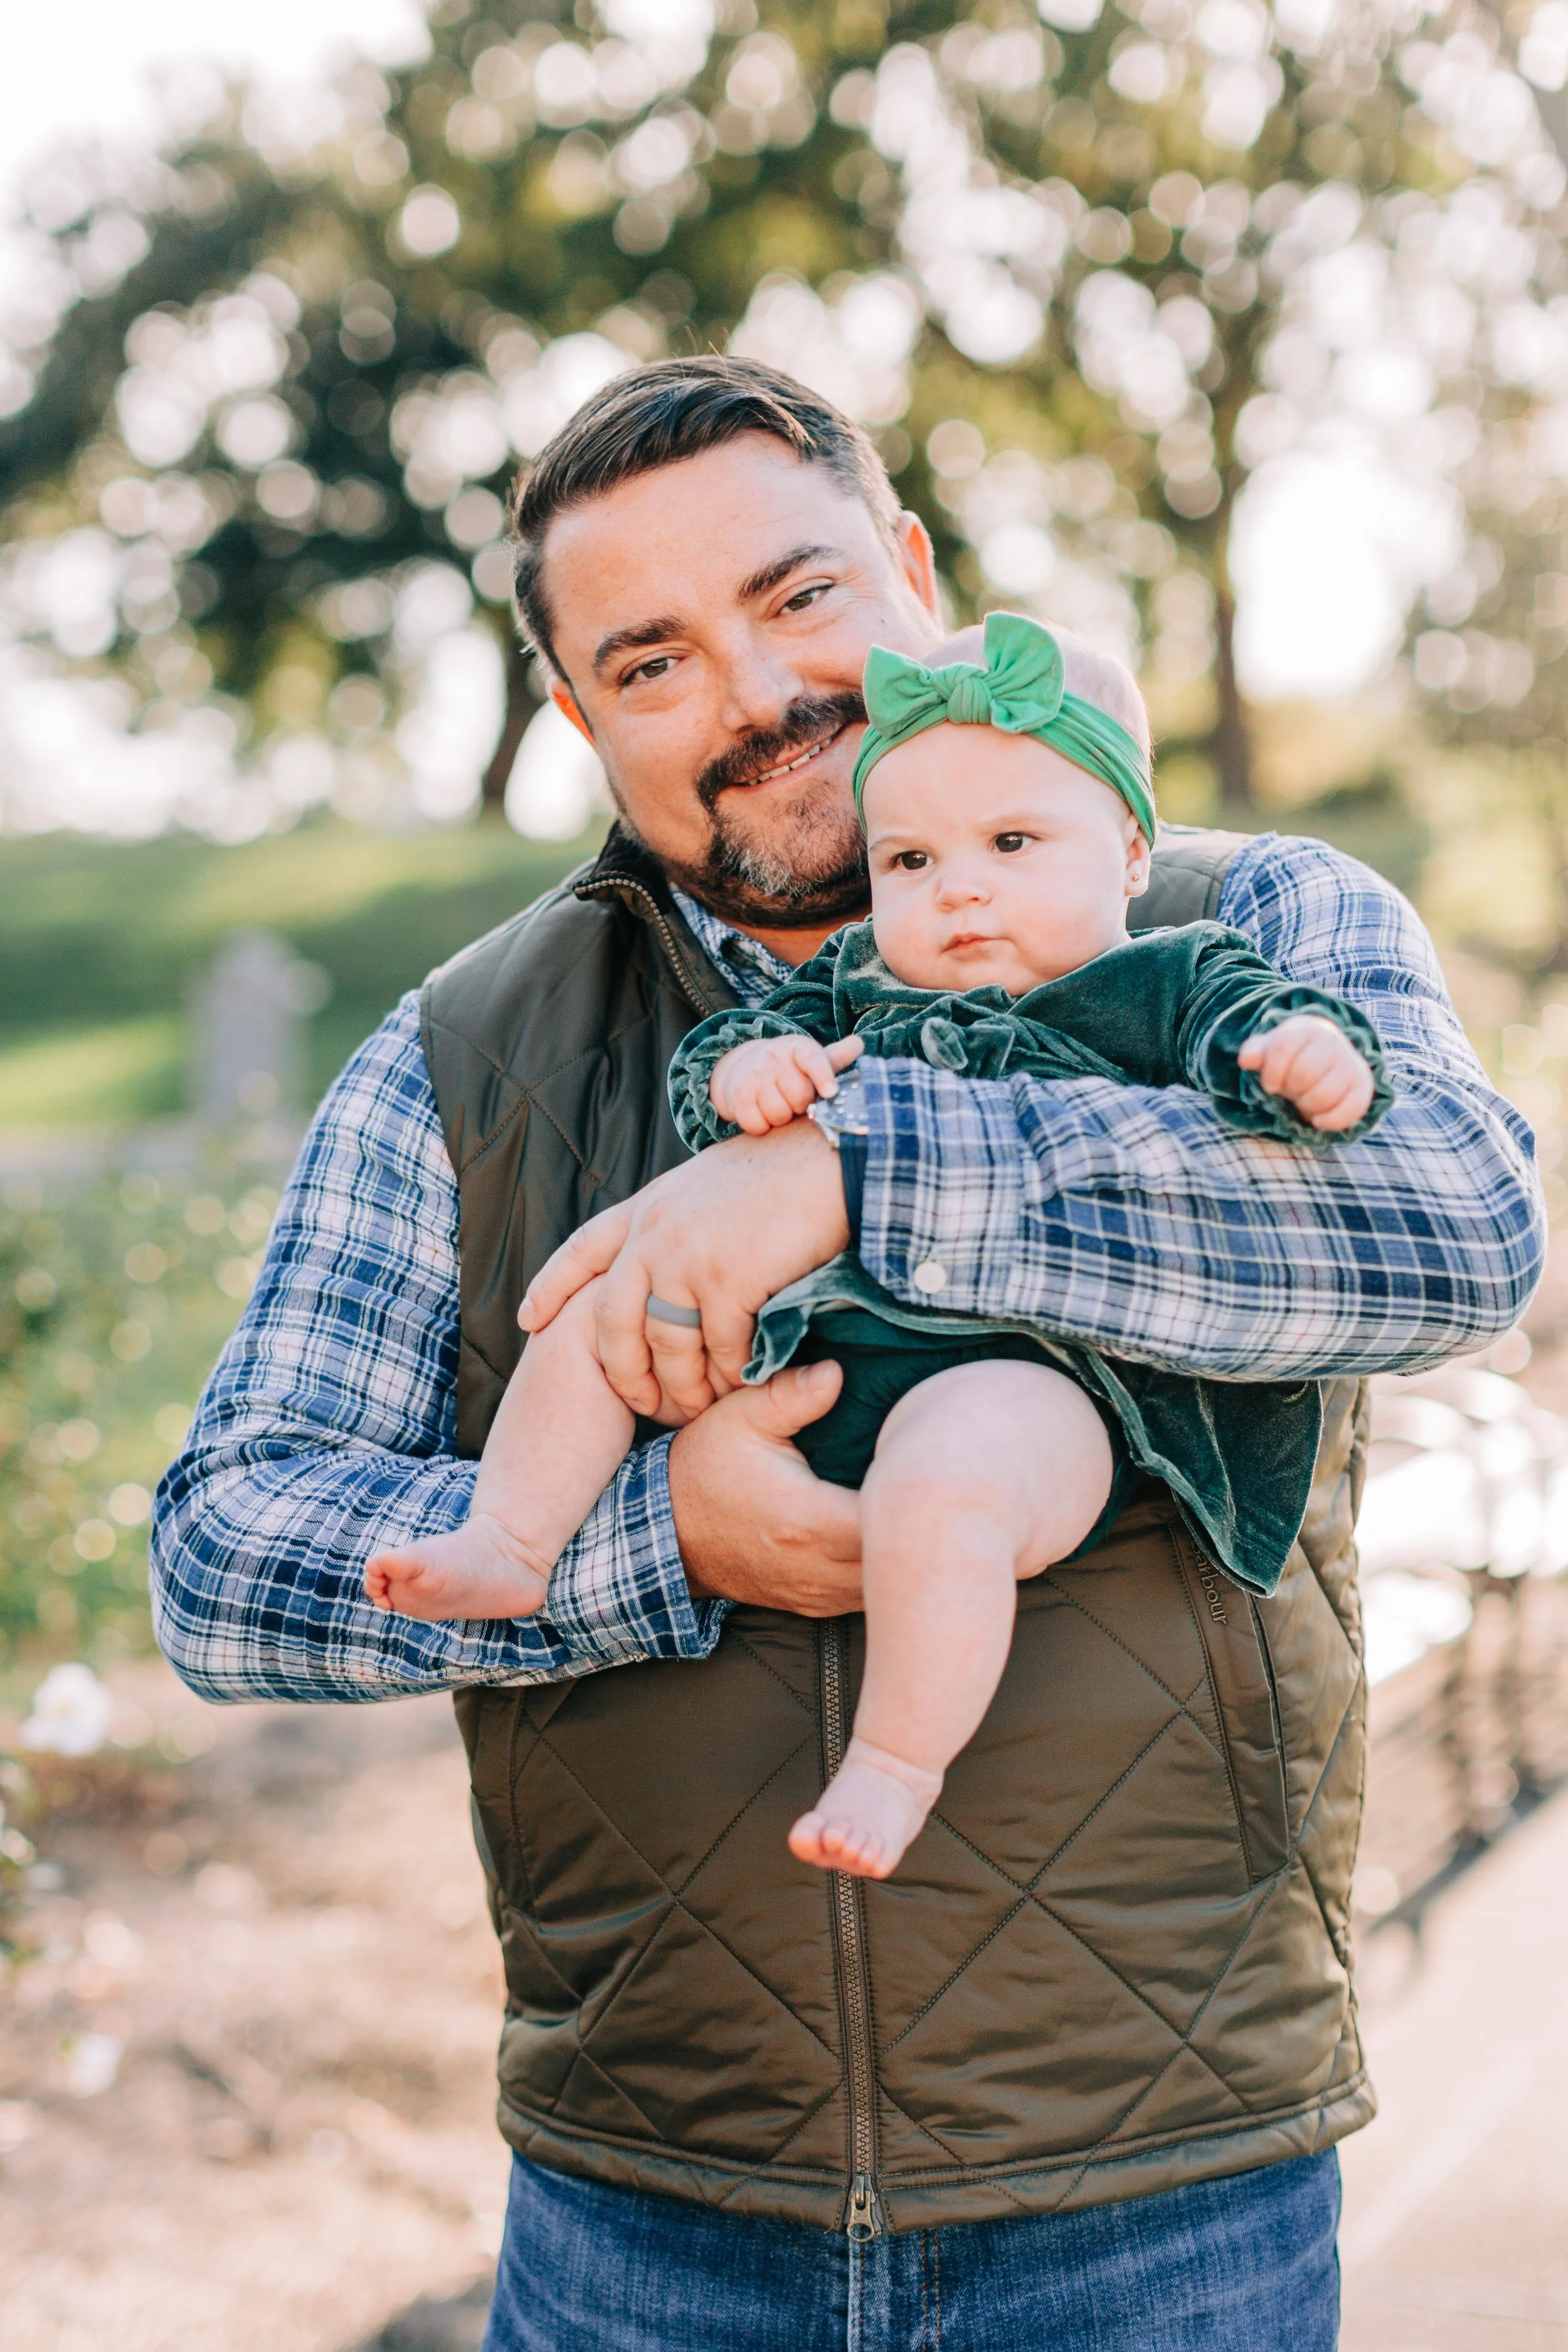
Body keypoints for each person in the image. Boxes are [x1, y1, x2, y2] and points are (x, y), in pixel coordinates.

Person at [151, 357, 1544, 2352]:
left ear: (905, 569)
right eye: (650, 660)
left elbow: (1454, 1232)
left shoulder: (1235, 915)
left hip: (1157, 2191)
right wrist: (661, 1545)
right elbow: (222, 1559)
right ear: (577, 715)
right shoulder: (466, 1052)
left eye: (797, 597)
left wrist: (843, 1182)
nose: (752, 694)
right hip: (646, 2207)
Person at [364, 611, 1389, 1884]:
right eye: (906, 858)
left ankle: (895, 1761)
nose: (955, 889)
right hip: (802, 1344)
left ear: (1128, 849)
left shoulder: (1168, 977)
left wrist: (1296, 1056)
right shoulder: (861, 979)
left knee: (949, 1484)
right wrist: (752, 1066)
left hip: (1031, 1379)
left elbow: (1259, 1035)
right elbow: (719, 1070)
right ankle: (512, 1544)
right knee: (591, 1310)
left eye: (1011, 844)